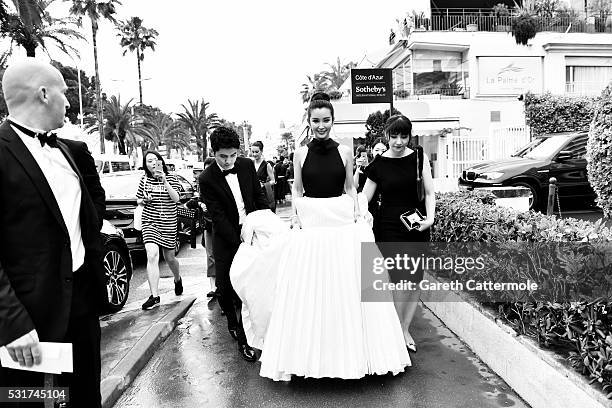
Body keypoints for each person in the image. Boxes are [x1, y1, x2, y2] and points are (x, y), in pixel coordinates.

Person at [231, 92, 410, 381]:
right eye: (316, 121)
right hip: (311, 230)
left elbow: (350, 189)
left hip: (341, 229)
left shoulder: (345, 151)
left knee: (346, 292)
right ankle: (309, 360)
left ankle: (351, 357)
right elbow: (298, 191)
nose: (321, 125)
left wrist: (358, 212)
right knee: (309, 293)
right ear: (309, 122)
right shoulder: (299, 153)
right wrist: (296, 217)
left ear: (332, 120)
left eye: (326, 120)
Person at [0, 58, 107, 407]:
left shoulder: (70, 150)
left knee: (85, 397)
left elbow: (90, 207)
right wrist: (11, 323)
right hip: (26, 317)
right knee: (24, 401)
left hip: (81, 304)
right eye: (63, 91)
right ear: (43, 94)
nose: (68, 101)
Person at [362, 114, 436, 352]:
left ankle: (404, 328)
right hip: (390, 227)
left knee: (414, 280)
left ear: (409, 136)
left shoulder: (419, 158)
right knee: (397, 280)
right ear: (387, 135)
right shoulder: (378, 164)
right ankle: (395, 329)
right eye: (394, 136)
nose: (399, 141)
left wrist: (430, 219)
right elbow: (364, 198)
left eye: (404, 136)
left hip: (416, 225)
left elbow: (430, 193)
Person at [198, 126, 270, 362]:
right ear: (214, 152)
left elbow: (258, 198)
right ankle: (236, 329)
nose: (228, 161)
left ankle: (253, 334)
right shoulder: (206, 179)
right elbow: (217, 216)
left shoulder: (247, 165)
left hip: (253, 230)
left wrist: (266, 223)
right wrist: (241, 239)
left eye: (232, 156)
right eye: (222, 157)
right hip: (226, 237)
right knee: (227, 288)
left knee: (257, 283)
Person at [136, 151, 184, 310]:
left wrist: (164, 182)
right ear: (146, 165)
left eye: (155, 160)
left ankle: (177, 278)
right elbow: (139, 200)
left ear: (161, 162)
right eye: (149, 161)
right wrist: (144, 199)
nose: (152, 163)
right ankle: (154, 295)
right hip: (150, 221)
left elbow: (176, 199)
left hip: (168, 222)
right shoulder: (144, 180)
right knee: (151, 254)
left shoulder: (171, 178)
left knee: (169, 257)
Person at [201, 157, 218, 298]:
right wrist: (200, 204)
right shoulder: (201, 184)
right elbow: (198, 200)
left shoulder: (221, 183)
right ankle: (213, 287)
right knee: (210, 255)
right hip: (208, 225)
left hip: (221, 224)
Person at [250, 140, 276, 213]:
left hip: (263, 196)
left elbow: (273, 181)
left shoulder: (266, 165)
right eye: (253, 152)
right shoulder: (250, 164)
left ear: (261, 151)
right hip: (252, 195)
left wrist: (263, 185)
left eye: (256, 152)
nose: (254, 154)